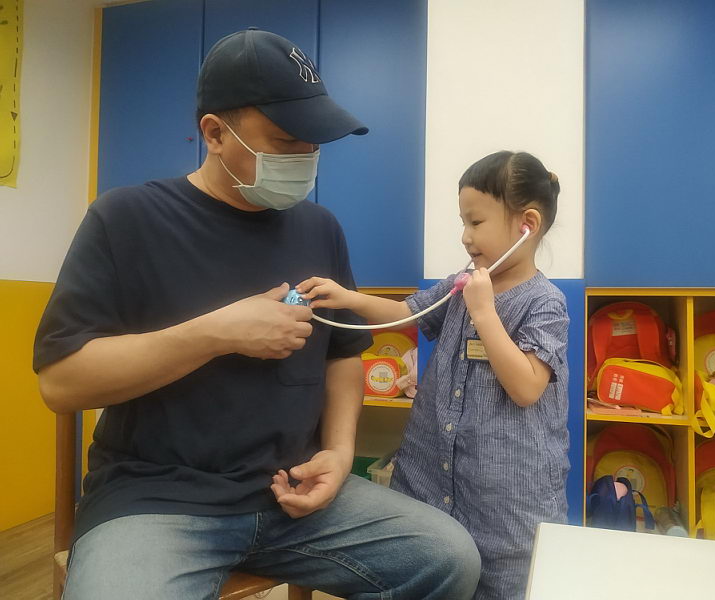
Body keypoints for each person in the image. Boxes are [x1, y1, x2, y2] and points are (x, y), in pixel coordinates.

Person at [34, 29, 479, 599]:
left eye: (314, 144)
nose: (305, 158)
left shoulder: (321, 229)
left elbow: (343, 358)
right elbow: (61, 384)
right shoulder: (125, 219)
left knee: (449, 560)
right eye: (286, 140)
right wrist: (215, 334)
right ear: (214, 133)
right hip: (156, 501)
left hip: (292, 495)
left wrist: (339, 453)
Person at [298, 150, 570, 599]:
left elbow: (526, 387)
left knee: (500, 585)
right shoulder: (464, 282)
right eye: (463, 222)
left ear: (527, 225)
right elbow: (407, 312)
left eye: (476, 222)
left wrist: (484, 312)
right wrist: (347, 297)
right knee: (430, 571)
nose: (465, 236)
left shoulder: (544, 302)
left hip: (504, 501)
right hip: (430, 478)